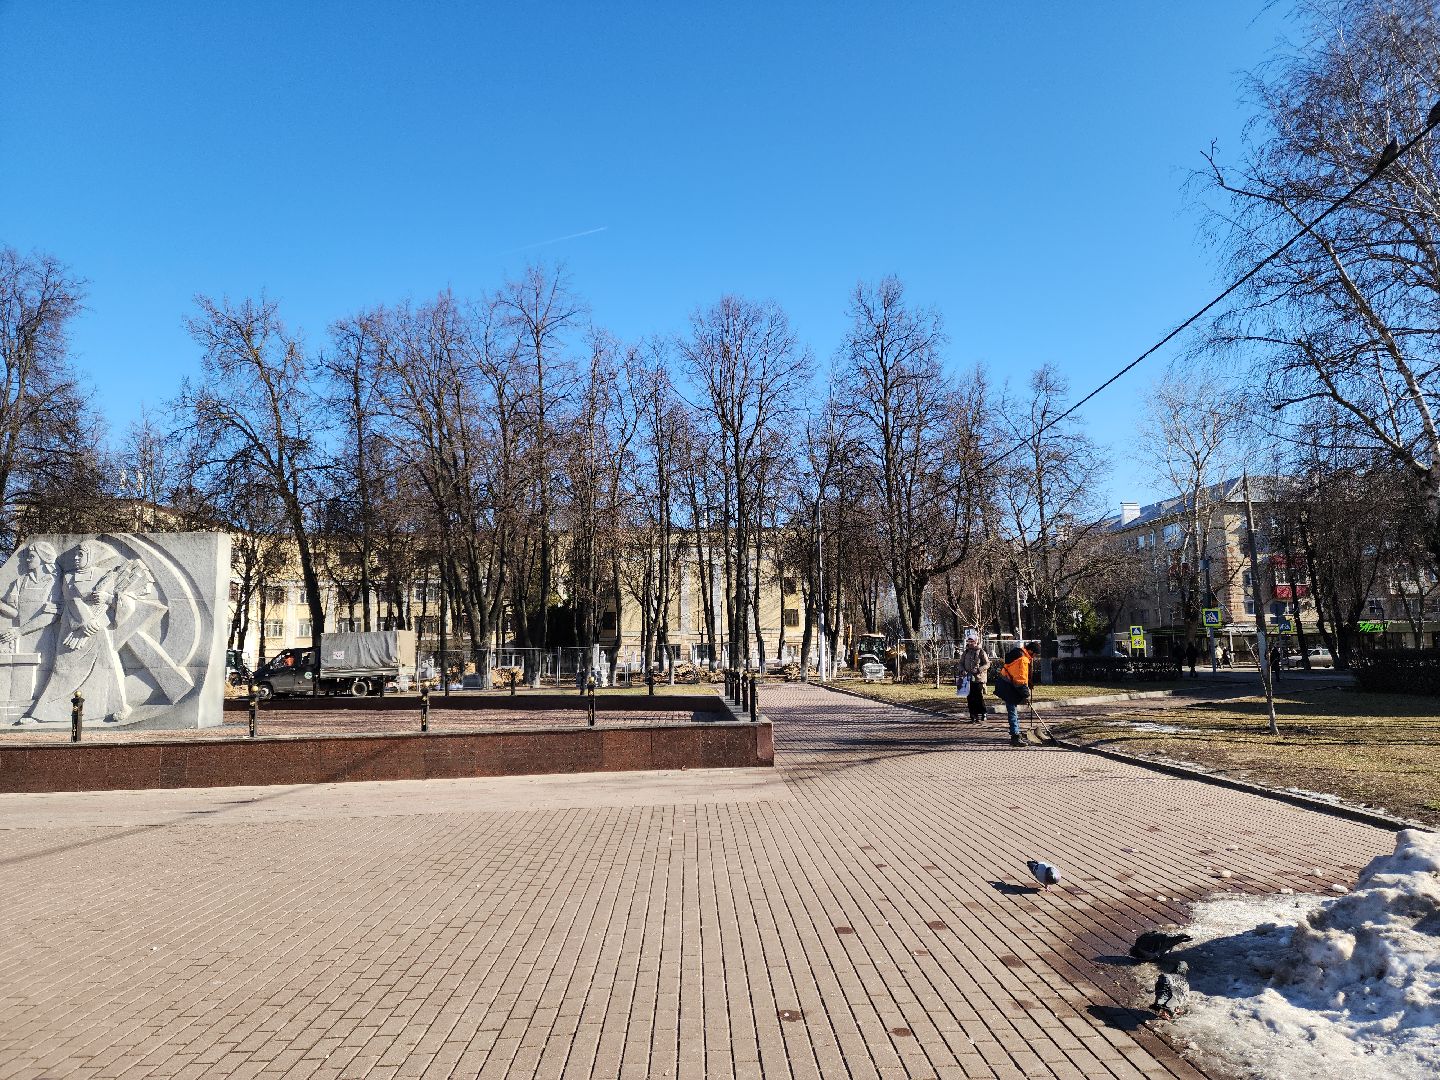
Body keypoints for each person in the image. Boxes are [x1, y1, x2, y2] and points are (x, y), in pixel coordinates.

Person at [993, 643, 1034, 747]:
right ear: (1031, 651)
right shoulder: (1022, 659)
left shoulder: (1018, 654)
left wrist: (1029, 683)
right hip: (1008, 687)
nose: (1035, 656)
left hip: (1005, 684)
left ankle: (1016, 733)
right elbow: (1020, 680)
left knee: (1012, 710)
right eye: (1035, 654)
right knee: (1012, 712)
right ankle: (1015, 737)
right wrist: (1026, 694)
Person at [957, 632, 990, 723]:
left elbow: (987, 664)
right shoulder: (966, 652)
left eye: (972, 641)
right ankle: (973, 714)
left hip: (978, 678)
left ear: (976, 642)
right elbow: (961, 663)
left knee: (978, 696)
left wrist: (979, 670)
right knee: (970, 697)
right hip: (968, 678)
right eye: (969, 641)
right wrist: (962, 670)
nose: (970, 643)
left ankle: (983, 712)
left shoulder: (981, 651)